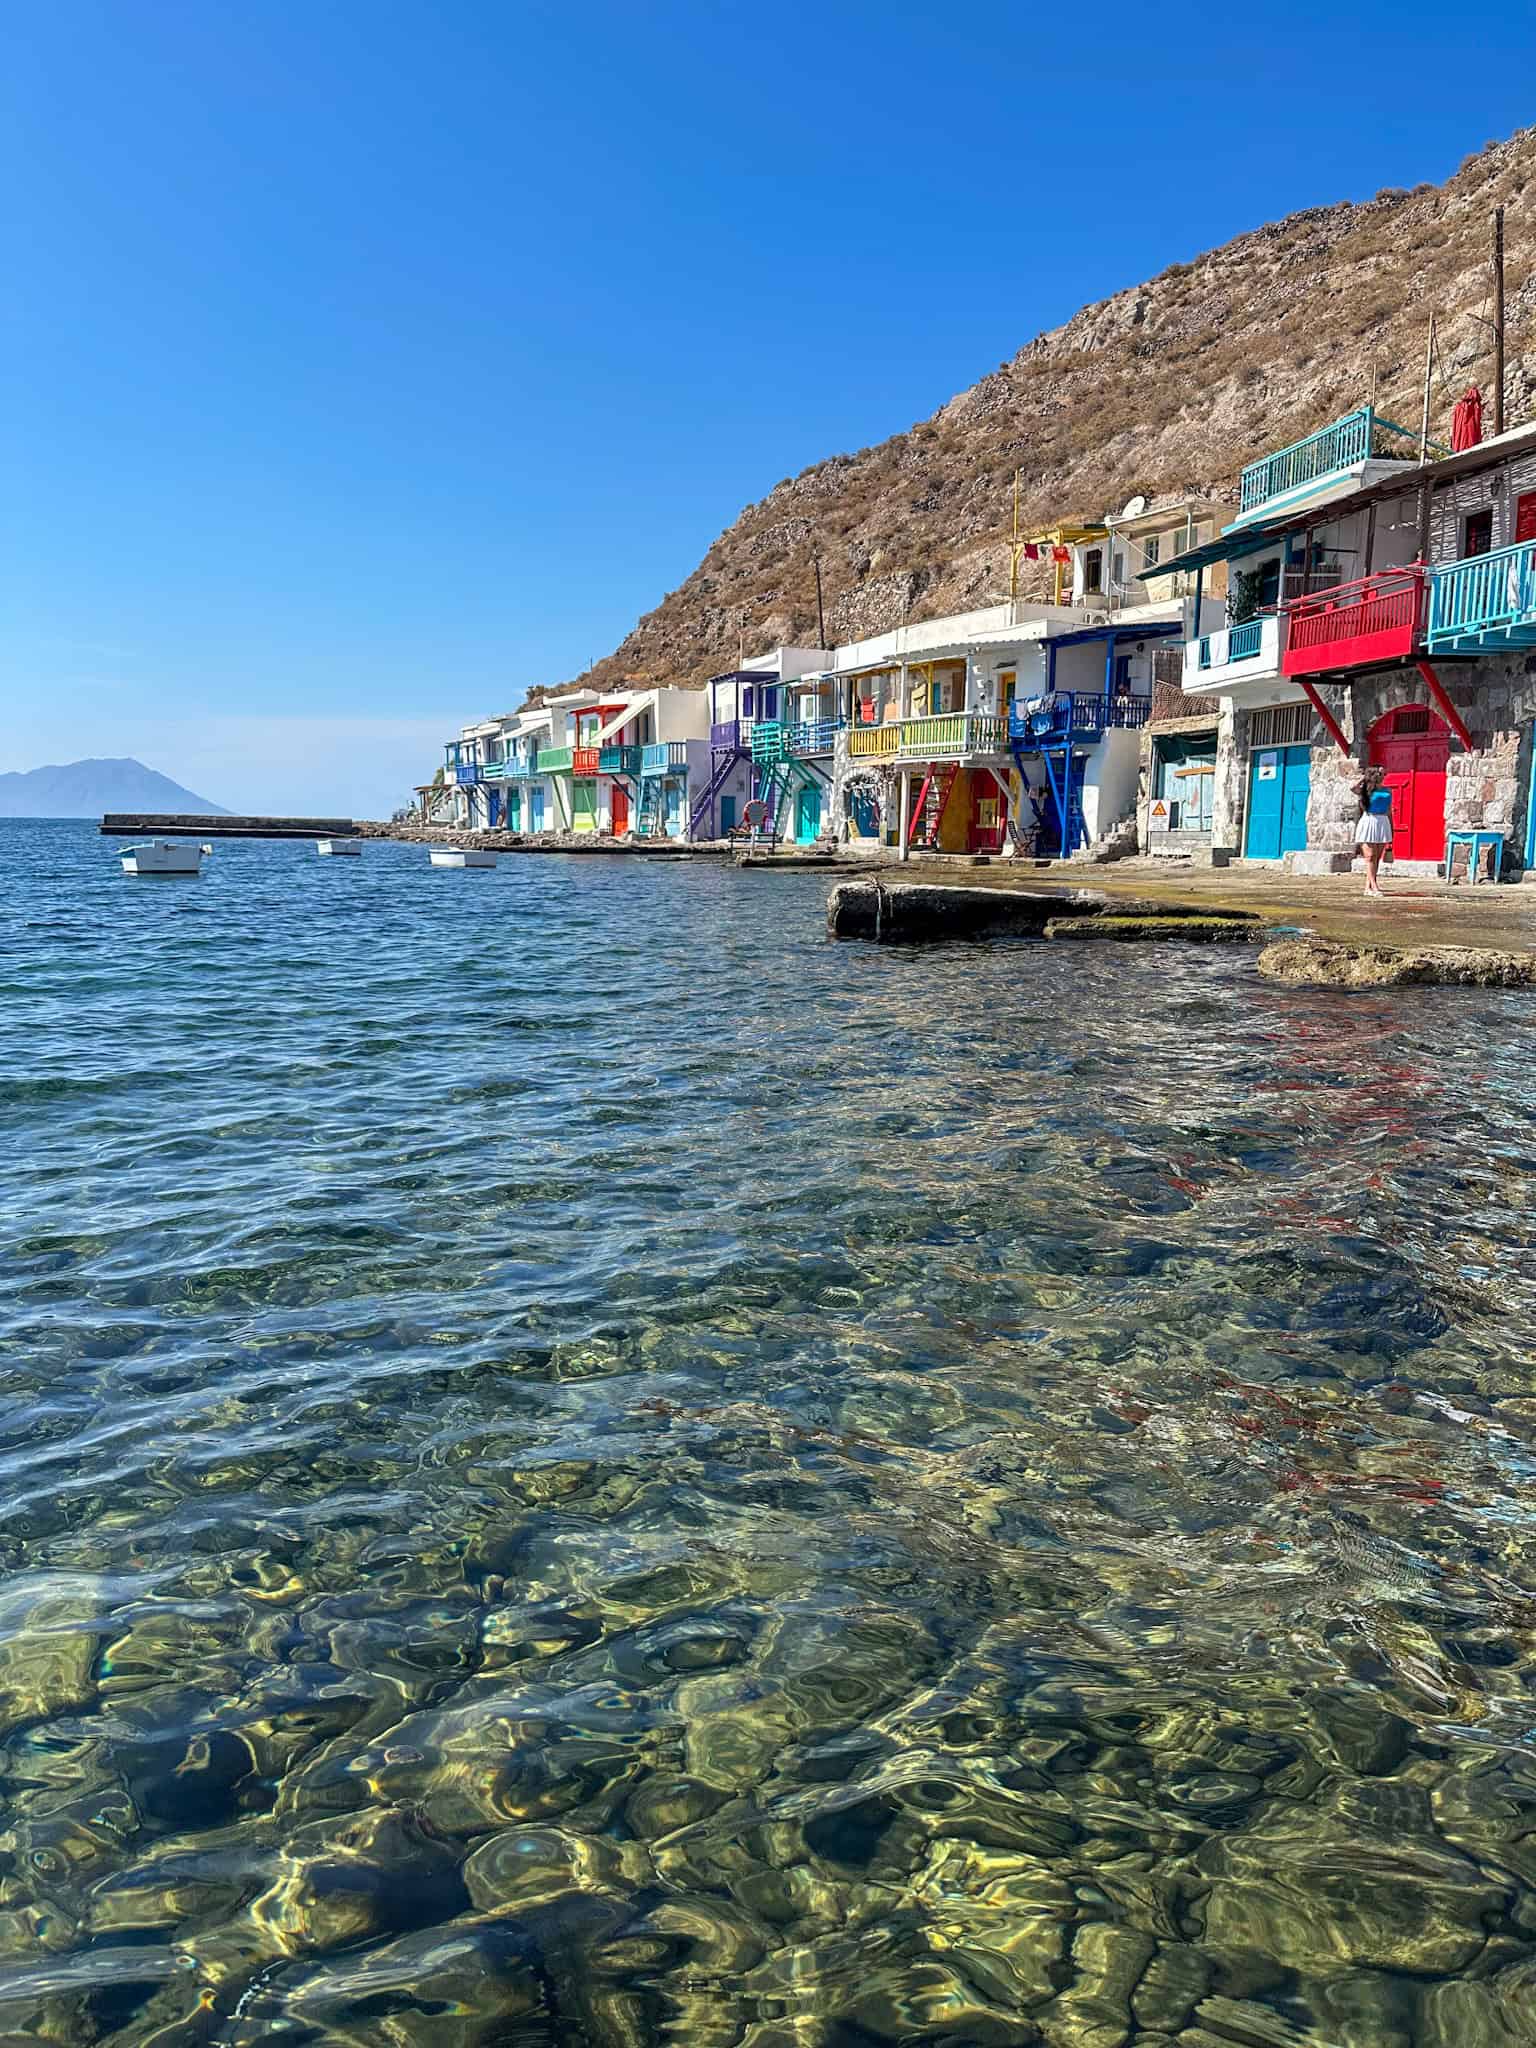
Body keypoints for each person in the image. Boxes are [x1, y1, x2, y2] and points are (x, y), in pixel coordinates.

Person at [1354, 782, 1395, 895]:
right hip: (1369, 821)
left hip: (1383, 822)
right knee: (1370, 856)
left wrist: (1392, 827)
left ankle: (1368, 887)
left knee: (1376, 857)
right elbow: (1353, 788)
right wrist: (1364, 780)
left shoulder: (1387, 790)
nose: (1382, 776)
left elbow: (1389, 810)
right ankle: (1374, 886)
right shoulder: (1365, 790)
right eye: (1379, 773)